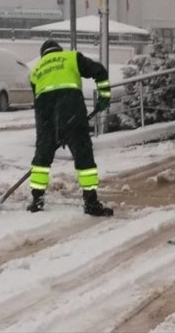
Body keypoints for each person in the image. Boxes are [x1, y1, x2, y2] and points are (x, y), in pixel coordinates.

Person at [27, 39, 113, 216]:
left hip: (46, 117)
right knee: (84, 159)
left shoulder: (35, 70)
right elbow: (100, 71)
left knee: (41, 160)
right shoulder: (71, 57)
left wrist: (51, 132)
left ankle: (37, 200)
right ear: (58, 50)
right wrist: (104, 97)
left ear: (43, 54)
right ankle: (91, 202)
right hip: (72, 112)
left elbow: (37, 100)